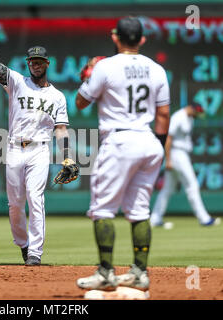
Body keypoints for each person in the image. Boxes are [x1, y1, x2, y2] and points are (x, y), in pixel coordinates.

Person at [0, 18, 78, 266]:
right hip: (15, 148)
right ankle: (24, 245)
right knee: (15, 205)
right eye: (32, 61)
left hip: (40, 150)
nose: (35, 65)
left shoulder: (58, 96)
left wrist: (68, 156)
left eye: (39, 61)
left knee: (35, 199)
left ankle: (36, 253)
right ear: (28, 64)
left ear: (47, 64)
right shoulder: (17, 82)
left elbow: (60, 130)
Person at [75, 16, 170, 291]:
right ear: (142, 39)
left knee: (103, 209)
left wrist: (89, 75)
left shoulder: (105, 66)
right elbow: (163, 114)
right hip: (149, 141)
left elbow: (81, 103)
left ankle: (106, 272)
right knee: (139, 210)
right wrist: (159, 149)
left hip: (119, 141)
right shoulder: (157, 69)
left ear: (115, 37)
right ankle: (140, 271)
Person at [150, 103, 221, 228]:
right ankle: (204, 219)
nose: (197, 115)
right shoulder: (178, 117)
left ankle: (155, 218)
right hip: (176, 154)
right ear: (191, 108)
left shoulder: (190, 119)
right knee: (192, 185)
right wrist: (169, 159)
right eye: (197, 112)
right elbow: (168, 138)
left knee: (167, 189)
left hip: (181, 154)